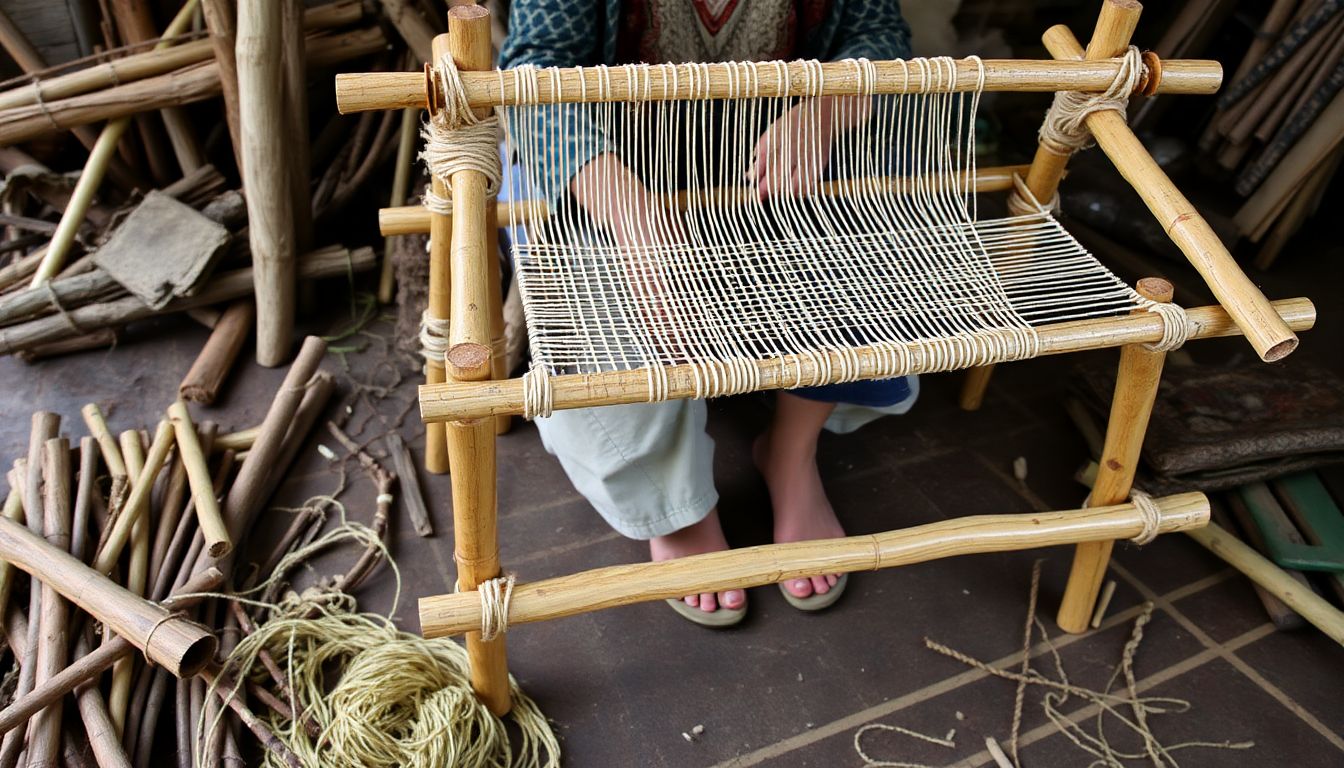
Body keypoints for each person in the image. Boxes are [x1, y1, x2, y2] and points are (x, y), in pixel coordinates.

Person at [499, 0, 917, 625]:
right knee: (606, 333)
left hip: (775, 161)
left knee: (876, 195)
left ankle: (790, 453)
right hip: (604, 169)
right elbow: (535, 67)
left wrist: (829, 107)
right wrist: (630, 213)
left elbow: (877, 33)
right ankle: (678, 506)